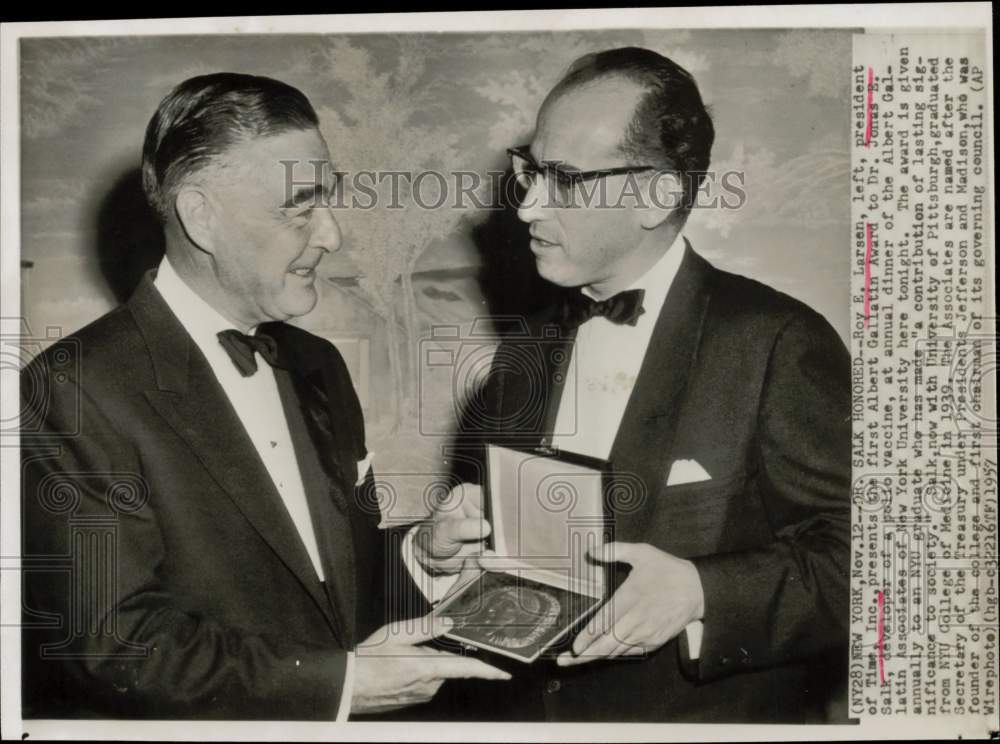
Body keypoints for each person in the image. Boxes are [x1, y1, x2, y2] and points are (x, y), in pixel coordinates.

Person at [20, 72, 508, 721]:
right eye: (299, 207)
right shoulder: (73, 388)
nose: (332, 234)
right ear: (201, 216)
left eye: (326, 201)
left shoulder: (318, 364)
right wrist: (341, 686)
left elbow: (319, 584)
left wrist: (415, 556)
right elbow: (113, 646)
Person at [410, 47, 850, 722]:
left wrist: (703, 592)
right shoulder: (522, 351)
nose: (527, 205)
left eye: (564, 179)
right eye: (530, 170)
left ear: (657, 195)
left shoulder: (776, 344)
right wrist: (442, 556)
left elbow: (879, 564)